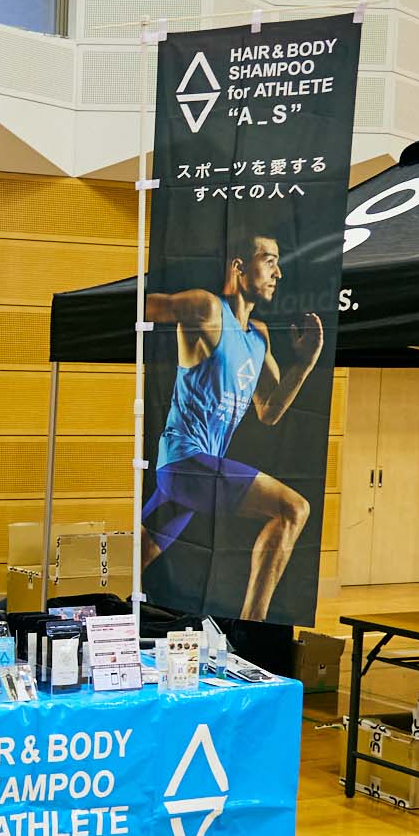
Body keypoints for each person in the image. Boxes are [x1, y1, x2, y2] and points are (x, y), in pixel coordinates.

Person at [142, 228, 323, 621]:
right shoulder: (207, 309)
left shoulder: (258, 337)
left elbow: (269, 411)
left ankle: (77, 613)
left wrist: (305, 364)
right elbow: (143, 307)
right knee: (293, 509)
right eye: (269, 261)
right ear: (239, 267)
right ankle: (251, 628)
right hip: (186, 462)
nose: (278, 273)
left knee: (131, 563)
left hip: (197, 472)